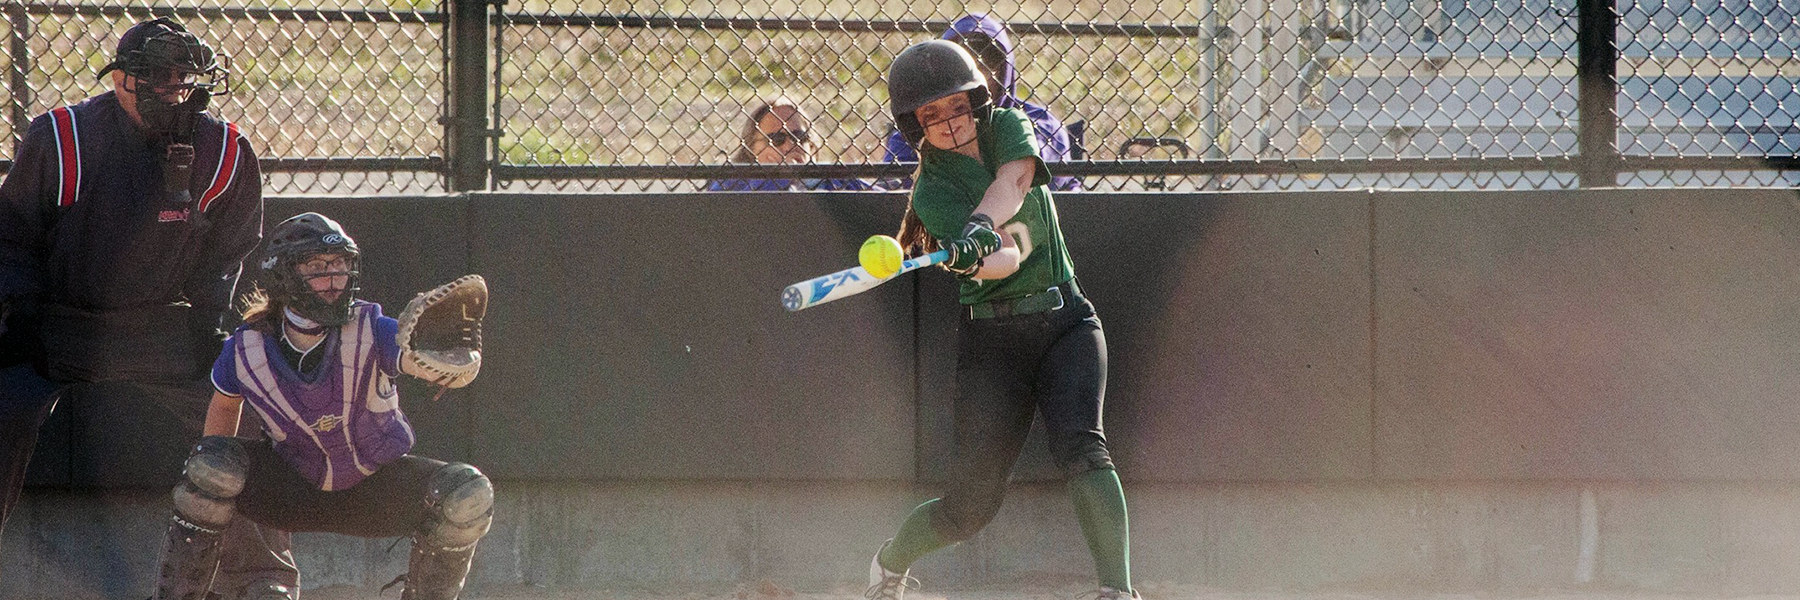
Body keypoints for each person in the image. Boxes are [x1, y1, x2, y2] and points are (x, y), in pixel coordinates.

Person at [0, 17, 301, 599]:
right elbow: (10, 235)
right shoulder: (61, 138)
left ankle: (259, 581)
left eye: (181, 78)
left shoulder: (225, 149)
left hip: (165, 327)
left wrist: (213, 320)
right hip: (57, 324)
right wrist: (23, 311)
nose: (170, 90)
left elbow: (232, 249)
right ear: (119, 82)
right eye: (153, 78)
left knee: (253, 411)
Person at [862, 40, 1136, 600]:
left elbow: (1012, 184)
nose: (949, 122)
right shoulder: (934, 191)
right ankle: (889, 564)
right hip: (995, 343)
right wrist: (971, 256)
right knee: (970, 507)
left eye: (957, 105)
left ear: (976, 101)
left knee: (1085, 450)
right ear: (915, 126)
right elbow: (1006, 258)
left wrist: (980, 223)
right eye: (931, 115)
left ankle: (1117, 591)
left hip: (1065, 321)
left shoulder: (1009, 127)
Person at [151, 212, 495, 600]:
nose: (334, 278)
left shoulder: (371, 325)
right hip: (291, 489)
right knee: (210, 465)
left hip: (373, 489)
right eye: (317, 267)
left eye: (341, 265)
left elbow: (407, 353)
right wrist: (211, 487)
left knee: (467, 494)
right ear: (282, 276)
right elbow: (223, 414)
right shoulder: (245, 349)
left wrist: (441, 365)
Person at [879, 14, 1082, 192]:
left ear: (1005, 66)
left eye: (989, 59)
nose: (979, 69)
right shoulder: (923, 123)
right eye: (964, 60)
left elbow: (1047, 184)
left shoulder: (1036, 122)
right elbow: (890, 188)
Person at [706, 97, 872, 192]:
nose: (790, 146)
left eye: (800, 137)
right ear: (752, 148)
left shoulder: (834, 179)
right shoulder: (731, 182)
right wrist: (777, 179)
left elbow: (883, 193)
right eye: (777, 139)